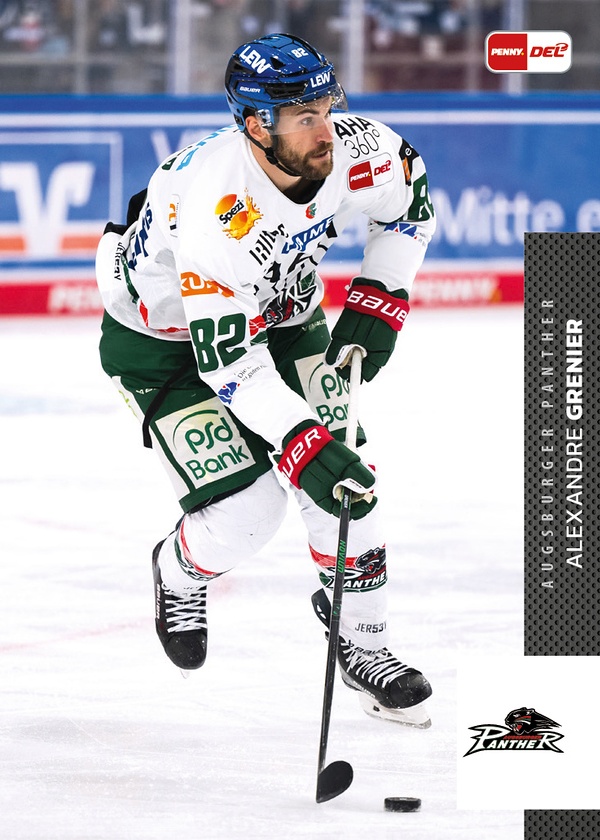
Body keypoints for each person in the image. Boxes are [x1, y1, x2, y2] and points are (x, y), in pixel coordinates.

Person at [95, 33, 436, 726]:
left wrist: (382, 293)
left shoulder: (359, 149)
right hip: (163, 343)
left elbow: (411, 204)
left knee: (349, 479)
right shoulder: (218, 215)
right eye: (304, 117)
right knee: (251, 512)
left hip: (283, 317)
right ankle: (178, 570)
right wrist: (301, 442)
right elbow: (230, 365)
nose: (326, 130)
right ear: (256, 125)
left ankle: (364, 642)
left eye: (327, 106)